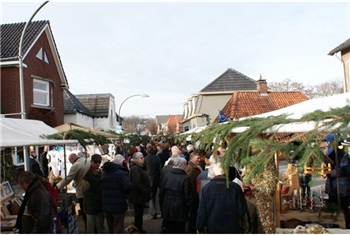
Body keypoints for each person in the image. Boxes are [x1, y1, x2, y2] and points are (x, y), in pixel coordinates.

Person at [196, 162, 247, 234]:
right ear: (226, 173)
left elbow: (202, 211)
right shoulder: (235, 187)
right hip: (232, 226)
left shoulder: (207, 188)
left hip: (213, 227)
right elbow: (242, 209)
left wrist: (199, 227)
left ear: (213, 173)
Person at [56, 152, 90, 232]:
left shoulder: (76, 165)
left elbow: (68, 179)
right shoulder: (87, 161)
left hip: (82, 192)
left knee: (85, 213)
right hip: (91, 191)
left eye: (70, 162)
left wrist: (57, 186)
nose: (71, 164)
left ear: (72, 159)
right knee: (91, 213)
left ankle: (88, 230)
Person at [101, 153, 132, 233]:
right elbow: (127, 187)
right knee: (118, 226)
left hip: (107, 204)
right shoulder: (121, 173)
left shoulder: (104, 173)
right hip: (119, 204)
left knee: (111, 226)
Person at [159, 157, 191, 233]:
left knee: (169, 228)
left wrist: (162, 206)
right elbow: (187, 196)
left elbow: (162, 192)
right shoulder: (185, 178)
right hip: (180, 207)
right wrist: (189, 209)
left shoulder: (168, 175)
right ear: (182, 166)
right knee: (180, 229)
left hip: (168, 205)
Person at [324, 135, 350, 229]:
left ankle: (347, 226)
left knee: (343, 209)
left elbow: (345, 170)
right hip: (332, 188)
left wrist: (332, 172)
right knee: (333, 209)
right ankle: (335, 227)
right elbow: (326, 169)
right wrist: (326, 172)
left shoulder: (344, 156)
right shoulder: (329, 156)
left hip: (342, 188)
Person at [128, 151, 151, 233]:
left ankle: (138, 228)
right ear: (137, 159)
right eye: (141, 158)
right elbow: (136, 183)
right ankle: (137, 229)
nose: (143, 159)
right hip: (138, 196)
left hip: (139, 196)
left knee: (139, 214)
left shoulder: (138, 167)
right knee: (138, 214)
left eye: (143, 157)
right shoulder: (135, 168)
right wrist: (144, 191)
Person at [82, 154, 104, 233]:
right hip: (91, 204)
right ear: (91, 162)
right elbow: (84, 190)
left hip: (99, 204)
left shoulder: (101, 173)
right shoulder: (87, 175)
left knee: (100, 226)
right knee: (91, 226)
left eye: (99, 162)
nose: (98, 164)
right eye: (95, 162)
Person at [185, 150, 203, 233]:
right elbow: (189, 184)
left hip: (195, 195)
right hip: (193, 197)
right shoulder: (191, 169)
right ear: (192, 158)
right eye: (197, 158)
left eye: (199, 158)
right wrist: (194, 194)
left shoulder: (195, 166)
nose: (199, 160)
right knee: (193, 216)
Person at [144, 143, 161, 220]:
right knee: (154, 195)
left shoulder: (146, 158)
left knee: (151, 196)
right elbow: (159, 168)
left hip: (149, 179)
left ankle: (153, 212)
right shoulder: (157, 158)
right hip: (156, 178)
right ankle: (154, 211)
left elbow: (144, 169)